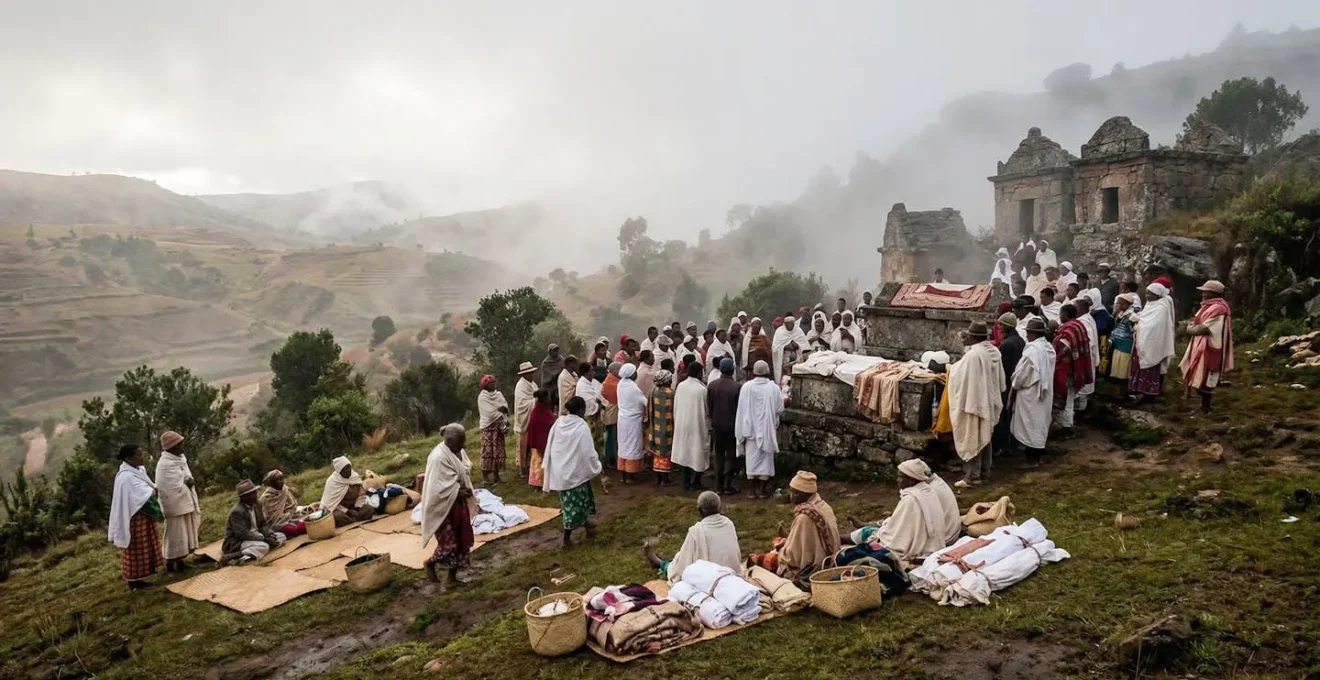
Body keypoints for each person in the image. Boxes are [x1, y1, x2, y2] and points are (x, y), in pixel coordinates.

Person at [846, 459, 959, 563]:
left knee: (869, 535)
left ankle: (841, 538)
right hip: (935, 544)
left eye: (901, 477)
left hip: (924, 547)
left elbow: (895, 535)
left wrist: (882, 531)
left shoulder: (911, 499)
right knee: (878, 528)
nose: (897, 480)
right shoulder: (928, 491)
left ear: (911, 479)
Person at [747, 471, 840, 584]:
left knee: (760, 557)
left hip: (813, 566)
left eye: (795, 493)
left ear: (806, 495)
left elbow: (792, 557)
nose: (791, 497)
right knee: (779, 542)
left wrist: (782, 549)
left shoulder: (805, 517)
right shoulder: (823, 506)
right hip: (831, 556)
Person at [948, 322, 1005, 488]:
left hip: (975, 401)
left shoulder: (974, 355)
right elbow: (1000, 379)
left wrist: (950, 369)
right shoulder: (994, 351)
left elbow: (961, 377)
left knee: (973, 436)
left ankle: (972, 476)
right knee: (985, 436)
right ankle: (984, 472)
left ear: (972, 336)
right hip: (990, 399)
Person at [543, 396, 604, 547]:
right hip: (575, 474)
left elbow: (552, 445)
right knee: (573, 509)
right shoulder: (581, 426)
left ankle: (589, 527)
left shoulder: (559, 422)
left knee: (579, 502)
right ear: (582, 410)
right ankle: (566, 540)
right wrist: (596, 466)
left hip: (562, 471)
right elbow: (587, 451)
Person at [420, 424, 476, 586]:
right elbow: (437, 488)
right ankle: (430, 563)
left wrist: (462, 491)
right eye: (461, 442)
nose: (463, 446)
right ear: (450, 441)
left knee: (462, 540)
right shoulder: (438, 458)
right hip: (443, 508)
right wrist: (457, 492)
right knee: (449, 544)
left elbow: (462, 471)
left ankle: (452, 578)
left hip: (457, 505)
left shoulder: (456, 451)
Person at [645, 491, 741, 582]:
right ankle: (661, 561)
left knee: (678, 563)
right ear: (719, 508)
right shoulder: (729, 523)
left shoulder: (696, 531)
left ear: (700, 510)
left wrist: (675, 564)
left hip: (710, 579)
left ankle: (659, 563)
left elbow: (683, 563)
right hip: (732, 574)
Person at [109, 443, 163, 589]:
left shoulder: (138, 470)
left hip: (143, 515)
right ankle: (134, 581)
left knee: (146, 545)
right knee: (136, 548)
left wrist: (151, 490)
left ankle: (144, 575)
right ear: (128, 458)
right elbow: (141, 493)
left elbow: (147, 486)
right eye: (138, 455)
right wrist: (152, 491)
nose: (142, 457)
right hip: (134, 517)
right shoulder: (125, 477)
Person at [1180, 280, 1234, 414]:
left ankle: (1205, 407)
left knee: (1207, 375)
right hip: (1202, 345)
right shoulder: (1208, 306)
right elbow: (1196, 321)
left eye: (1206, 292)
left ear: (1213, 293)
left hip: (1210, 346)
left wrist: (1190, 329)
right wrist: (1192, 326)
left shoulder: (1218, 309)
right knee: (1202, 374)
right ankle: (1203, 407)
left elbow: (1202, 328)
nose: (1203, 294)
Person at [1012, 318, 1056, 469]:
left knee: (1030, 425)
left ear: (1031, 333)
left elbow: (1022, 375)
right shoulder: (1048, 348)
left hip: (1031, 394)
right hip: (1045, 391)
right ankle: (1037, 455)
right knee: (1040, 423)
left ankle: (1032, 459)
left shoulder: (1032, 352)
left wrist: (1015, 384)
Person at [736, 360, 783, 498]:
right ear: (768, 372)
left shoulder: (746, 387)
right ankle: (761, 491)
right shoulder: (773, 388)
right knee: (765, 460)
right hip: (767, 430)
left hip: (750, 430)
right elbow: (780, 408)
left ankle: (751, 491)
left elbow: (741, 409)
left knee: (751, 459)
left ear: (753, 372)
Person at [156, 430, 200, 573]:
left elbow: (185, 475)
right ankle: (170, 563)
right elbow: (168, 487)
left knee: (184, 532)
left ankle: (181, 561)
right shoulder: (164, 464)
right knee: (174, 534)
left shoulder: (180, 458)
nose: (181, 448)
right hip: (174, 505)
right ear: (172, 447)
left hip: (184, 501)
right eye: (179, 445)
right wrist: (186, 483)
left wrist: (188, 481)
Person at [1129, 282, 1176, 404]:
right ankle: (1139, 390)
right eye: (1146, 293)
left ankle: (1149, 394)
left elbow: (1153, 325)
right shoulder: (1150, 305)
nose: (1147, 296)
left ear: (1157, 295)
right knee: (1139, 366)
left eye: (1149, 293)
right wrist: (1139, 320)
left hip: (1153, 343)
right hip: (1142, 340)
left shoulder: (1162, 307)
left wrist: (1138, 323)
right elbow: (1145, 319)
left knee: (1150, 367)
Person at [1051, 304, 1093, 438]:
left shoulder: (1068, 330)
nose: (1060, 316)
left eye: (1061, 314)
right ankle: (1067, 426)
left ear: (1066, 314)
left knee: (1066, 400)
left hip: (1067, 371)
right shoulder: (1079, 325)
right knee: (1069, 399)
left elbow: (1061, 351)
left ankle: (1066, 428)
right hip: (1078, 368)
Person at [221, 480, 284, 565]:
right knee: (264, 546)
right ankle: (234, 556)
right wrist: (263, 538)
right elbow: (242, 534)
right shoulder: (237, 512)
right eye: (251, 494)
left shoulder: (257, 504)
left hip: (256, 536)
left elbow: (262, 525)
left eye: (254, 492)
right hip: (239, 541)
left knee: (281, 536)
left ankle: (251, 553)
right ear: (243, 497)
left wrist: (269, 534)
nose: (255, 495)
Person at [672, 364, 711, 491]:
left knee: (685, 454)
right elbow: (707, 409)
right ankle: (696, 482)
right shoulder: (702, 389)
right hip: (697, 426)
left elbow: (675, 405)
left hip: (682, 424)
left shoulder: (680, 386)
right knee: (697, 454)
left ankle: (685, 482)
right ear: (700, 373)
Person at [707, 358, 742, 495]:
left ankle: (718, 486)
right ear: (732, 370)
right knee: (731, 455)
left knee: (718, 456)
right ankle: (727, 485)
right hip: (731, 426)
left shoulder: (712, 385)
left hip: (717, 425)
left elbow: (709, 406)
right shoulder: (737, 387)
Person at [994, 313, 1025, 458]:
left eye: (1000, 325)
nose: (998, 327)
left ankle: (1002, 447)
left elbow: (1003, 369)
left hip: (1006, 384)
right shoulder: (1019, 340)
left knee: (1002, 417)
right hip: (1013, 383)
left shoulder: (1007, 344)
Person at [616, 363, 649, 483]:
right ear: (631, 374)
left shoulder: (621, 384)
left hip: (622, 420)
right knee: (633, 446)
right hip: (633, 421)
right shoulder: (633, 388)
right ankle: (630, 475)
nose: (637, 374)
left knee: (623, 445)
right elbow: (645, 402)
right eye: (635, 372)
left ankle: (623, 474)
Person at [322, 456, 374, 526]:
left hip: (354, 508)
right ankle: (353, 519)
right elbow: (332, 504)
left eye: (349, 467)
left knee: (369, 509)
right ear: (340, 471)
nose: (349, 470)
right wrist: (347, 511)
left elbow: (361, 495)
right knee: (337, 517)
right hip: (339, 510)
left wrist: (357, 507)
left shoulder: (355, 477)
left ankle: (352, 520)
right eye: (345, 469)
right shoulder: (332, 482)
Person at [477, 374, 510, 484]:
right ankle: (485, 477)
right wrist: (500, 410)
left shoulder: (498, 394)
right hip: (488, 428)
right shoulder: (482, 397)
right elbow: (489, 413)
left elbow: (505, 406)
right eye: (491, 383)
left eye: (494, 382)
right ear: (485, 386)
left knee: (498, 451)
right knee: (487, 452)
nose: (494, 385)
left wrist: (502, 409)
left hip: (498, 428)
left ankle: (496, 475)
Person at [646, 370, 677, 486]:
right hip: (668, 426)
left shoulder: (653, 391)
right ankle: (665, 479)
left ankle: (659, 478)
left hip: (655, 426)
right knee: (665, 452)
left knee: (657, 451)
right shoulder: (671, 393)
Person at [1073, 295, 1101, 413]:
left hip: (1085, 357)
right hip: (1087, 356)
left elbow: (1089, 341)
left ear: (1081, 309)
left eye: (1075, 308)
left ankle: (1081, 413)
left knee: (1082, 388)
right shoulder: (1087, 319)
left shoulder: (1084, 322)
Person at [1107, 294, 1137, 396]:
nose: (1118, 305)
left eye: (1120, 303)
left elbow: (1135, 329)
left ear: (1126, 304)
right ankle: (1115, 392)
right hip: (1116, 344)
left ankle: (1123, 393)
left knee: (1123, 369)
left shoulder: (1131, 316)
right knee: (1116, 367)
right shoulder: (1119, 314)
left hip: (1125, 345)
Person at [525, 389, 557, 488]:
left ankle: (546, 482)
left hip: (543, 442)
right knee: (539, 463)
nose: (550, 400)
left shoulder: (545, 410)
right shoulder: (538, 412)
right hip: (539, 444)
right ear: (544, 399)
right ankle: (539, 483)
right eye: (548, 398)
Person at [512, 361, 538, 478]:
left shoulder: (532, 384)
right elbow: (522, 404)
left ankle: (530, 466)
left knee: (531, 445)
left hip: (532, 417)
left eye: (532, 372)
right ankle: (522, 469)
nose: (531, 375)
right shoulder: (521, 386)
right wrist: (535, 401)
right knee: (524, 445)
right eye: (528, 373)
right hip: (524, 419)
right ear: (523, 374)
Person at [259, 469, 305, 535]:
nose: (281, 481)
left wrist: (290, 514)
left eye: (282, 479)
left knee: (305, 524)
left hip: (291, 517)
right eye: (278, 480)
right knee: (293, 530)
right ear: (272, 482)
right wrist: (285, 516)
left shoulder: (285, 490)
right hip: (277, 523)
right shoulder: (266, 497)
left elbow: (292, 505)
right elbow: (270, 519)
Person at [600, 362, 622, 470]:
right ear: (614, 371)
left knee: (611, 436)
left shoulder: (610, 380)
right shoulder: (612, 383)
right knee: (613, 437)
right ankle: (612, 460)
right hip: (613, 412)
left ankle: (611, 459)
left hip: (610, 411)